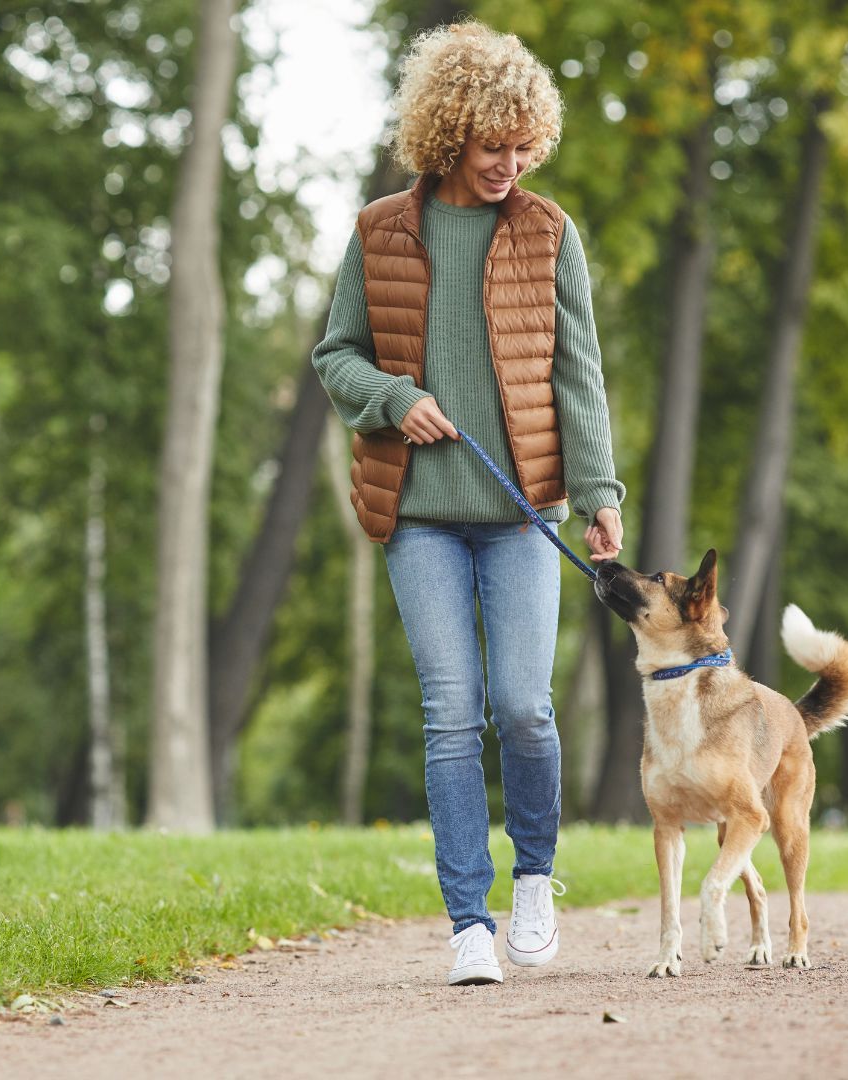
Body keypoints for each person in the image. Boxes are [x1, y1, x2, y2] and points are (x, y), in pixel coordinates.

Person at [312, 19, 624, 986]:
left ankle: (535, 877)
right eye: (495, 146)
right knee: (451, 712)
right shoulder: (380, 231)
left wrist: (600, 491)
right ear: (450, 135)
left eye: (525, 145)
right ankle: (466, 924)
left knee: (525, 709)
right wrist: (394, 399)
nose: (510, 163)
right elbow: (335, 355)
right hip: (419, 515)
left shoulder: (548, 232)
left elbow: (580, 374)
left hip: (526, 511)